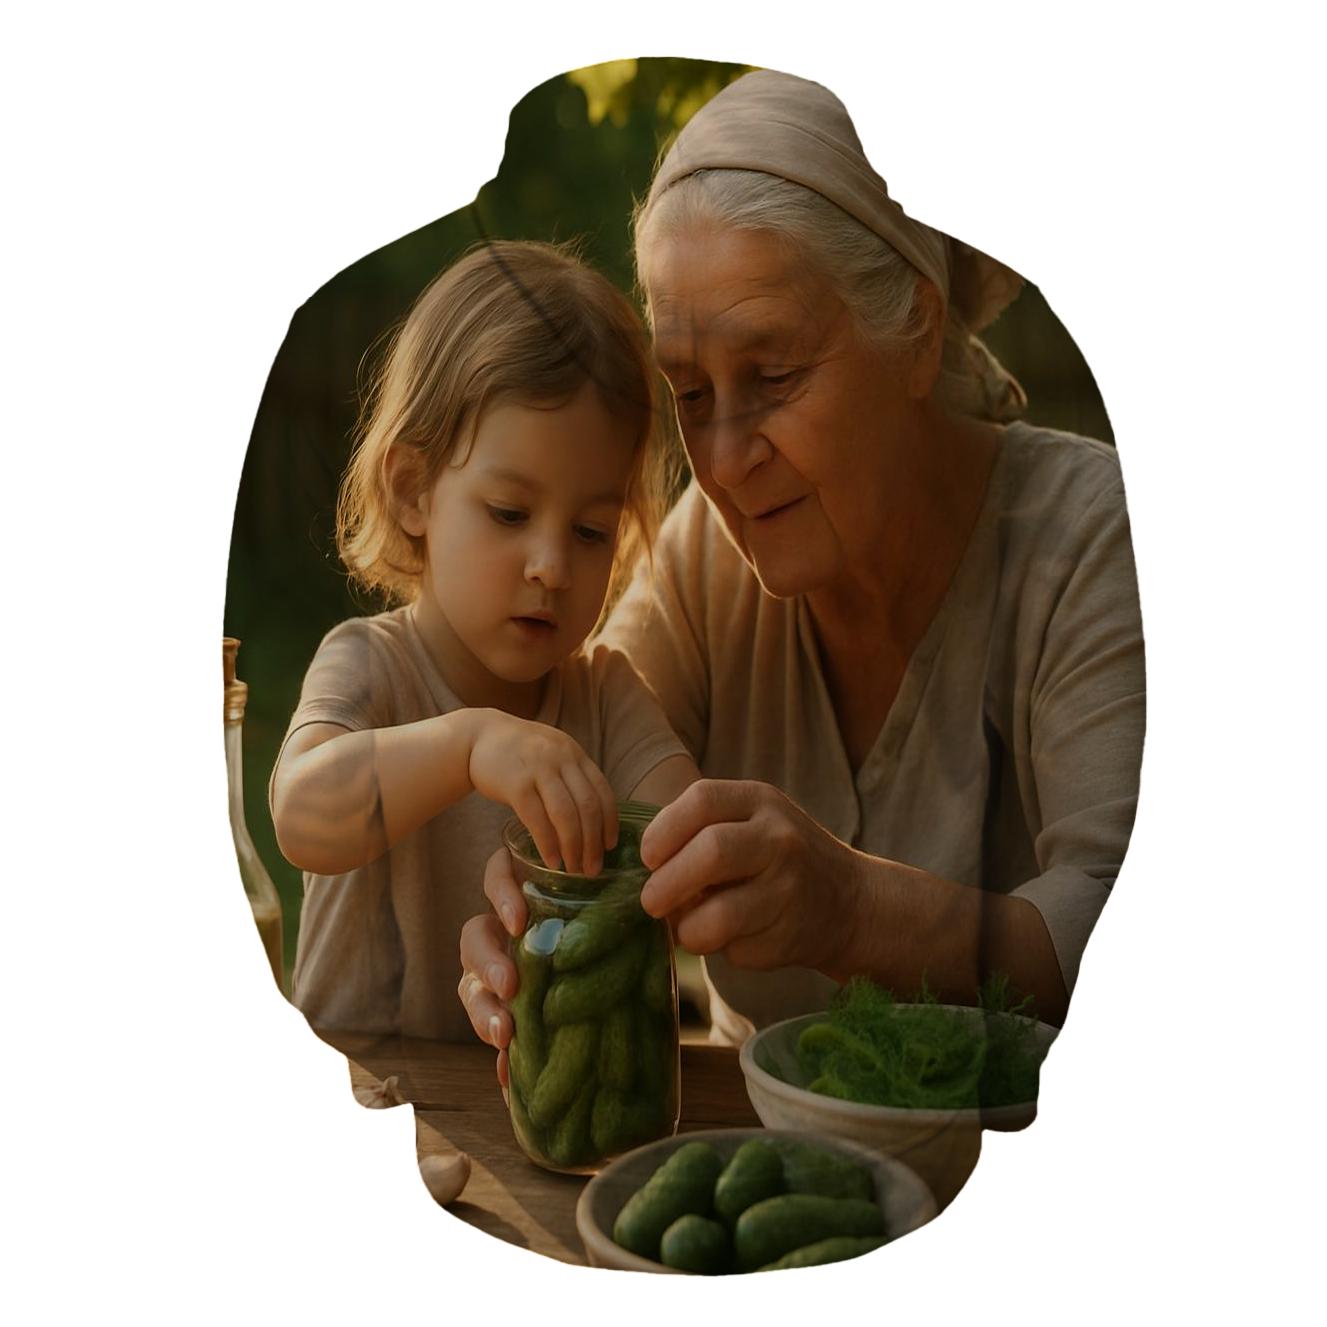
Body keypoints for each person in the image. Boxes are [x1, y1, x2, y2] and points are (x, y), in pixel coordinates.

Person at [457, 69, 1145, 1079]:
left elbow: (1130, 931)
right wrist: (516, 907)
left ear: (913, 329)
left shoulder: (1091, 541)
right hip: (753, 1185)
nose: (725, 458)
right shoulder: (705, 561)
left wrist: (854, 909)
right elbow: (576, 786)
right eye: (689, 391)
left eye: (773, 376)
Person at [269, 241, 698, 1041]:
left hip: (538, 1109)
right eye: (509, 513)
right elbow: (300, 816)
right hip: (366, 1098)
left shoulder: (606, 695)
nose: (551, 565)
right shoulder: (371, 664)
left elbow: (688, 841)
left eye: (590, 530)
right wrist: (469, 745)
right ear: (412, 490)